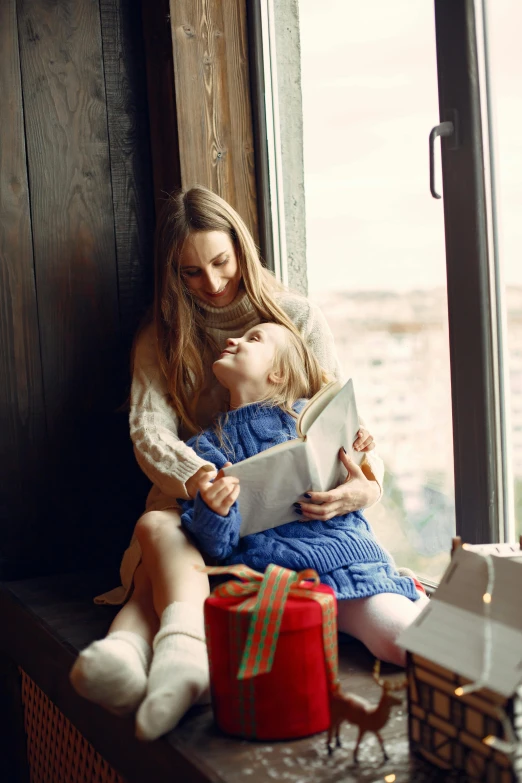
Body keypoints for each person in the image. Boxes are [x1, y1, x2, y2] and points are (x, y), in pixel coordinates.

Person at [69, 186, 386, 742]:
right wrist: (197, 479)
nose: (212, 285)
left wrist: (366, 486)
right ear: (172, 274)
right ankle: (127, 657)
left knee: (173, 563)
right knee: (160, 541)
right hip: (198, 492)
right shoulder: (161, 337)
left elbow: (338, 416)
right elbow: (148, 430)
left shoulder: (294, 317)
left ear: (243, 250)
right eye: (191, 272)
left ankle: (161, 660)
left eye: (221, 263)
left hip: (288, 509)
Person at [180, 321, 429, 673]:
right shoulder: (205, 448)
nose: (233, 340)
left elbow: (356, 479)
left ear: (279, 372)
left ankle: (408, 595)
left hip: (351, 564)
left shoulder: (310, 420)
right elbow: (216, 549)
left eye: (254, 339)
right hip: (286, 588)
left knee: (405, 642)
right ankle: (411, 598)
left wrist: (360, 451)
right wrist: (213, 511)